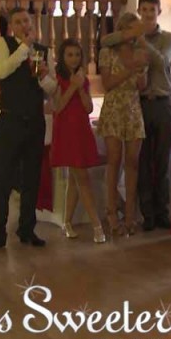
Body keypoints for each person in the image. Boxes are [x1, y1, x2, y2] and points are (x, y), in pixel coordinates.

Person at [0, 8, 57, 255]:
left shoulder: (44, 51)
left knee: (31, 178)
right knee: (3, 178)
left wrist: (44, 76)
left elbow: (51, 89)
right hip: (11, 119)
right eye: (18, 21)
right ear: (11, 26)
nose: (23, 24)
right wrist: (24, 48)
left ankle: (26, 229)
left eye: (26, 20)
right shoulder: (4, 44)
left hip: (35, 119)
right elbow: (2, 71)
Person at [102, 0, 171, 232]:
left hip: (158, 102)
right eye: (142, 10)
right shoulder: (115, 48)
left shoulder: (166, 38)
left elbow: (161, 63)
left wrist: (142, 43)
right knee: (131, 162)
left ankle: (156, 213)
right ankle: (135, 214)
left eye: (151, 10)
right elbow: (106, 45)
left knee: (157, 161)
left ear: (158, 11)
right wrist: (131, 38)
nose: (147, 14)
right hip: (131, 105)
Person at [98, 13, 149, 237]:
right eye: (133, 28)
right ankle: (111, 213)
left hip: (133, 107)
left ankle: (130, 214)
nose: (137, 33)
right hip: (114, 106)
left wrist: (140, 73)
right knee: (114, 161)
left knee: (133, 162)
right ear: (123, 29)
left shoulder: (140, 52)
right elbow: (108, 84)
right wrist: (130, 69)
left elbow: (142, 85)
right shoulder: (107, 51)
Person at [50, 38, 105, 244]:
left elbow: (89, 108)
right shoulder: (56, 78)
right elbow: (58, 106)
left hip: (81, 130)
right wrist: (72, 86)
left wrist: (81, 87)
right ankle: (97, 226)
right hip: (66, 131)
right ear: (62, 57)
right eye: (69, 55)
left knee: (75, 179)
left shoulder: (84, 79)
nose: (74, 59)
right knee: (81, 178)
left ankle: (67, 222)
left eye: (77, 55)